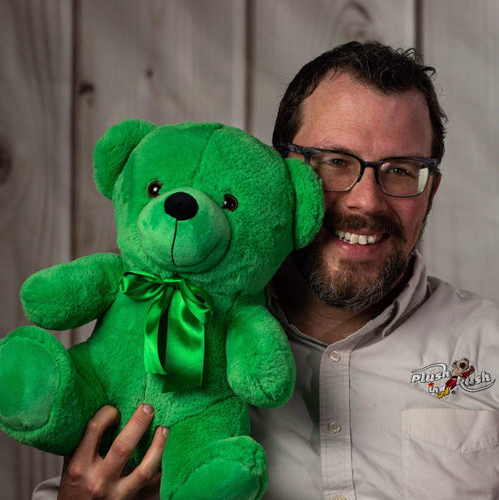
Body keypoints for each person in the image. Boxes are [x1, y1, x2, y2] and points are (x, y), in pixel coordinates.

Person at [33, 41, 498, 500]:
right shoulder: (168, 331)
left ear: (430, 191)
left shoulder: (487, 344)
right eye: (335, 163)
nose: (366, 200)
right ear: (280, 175)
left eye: (401, 170)